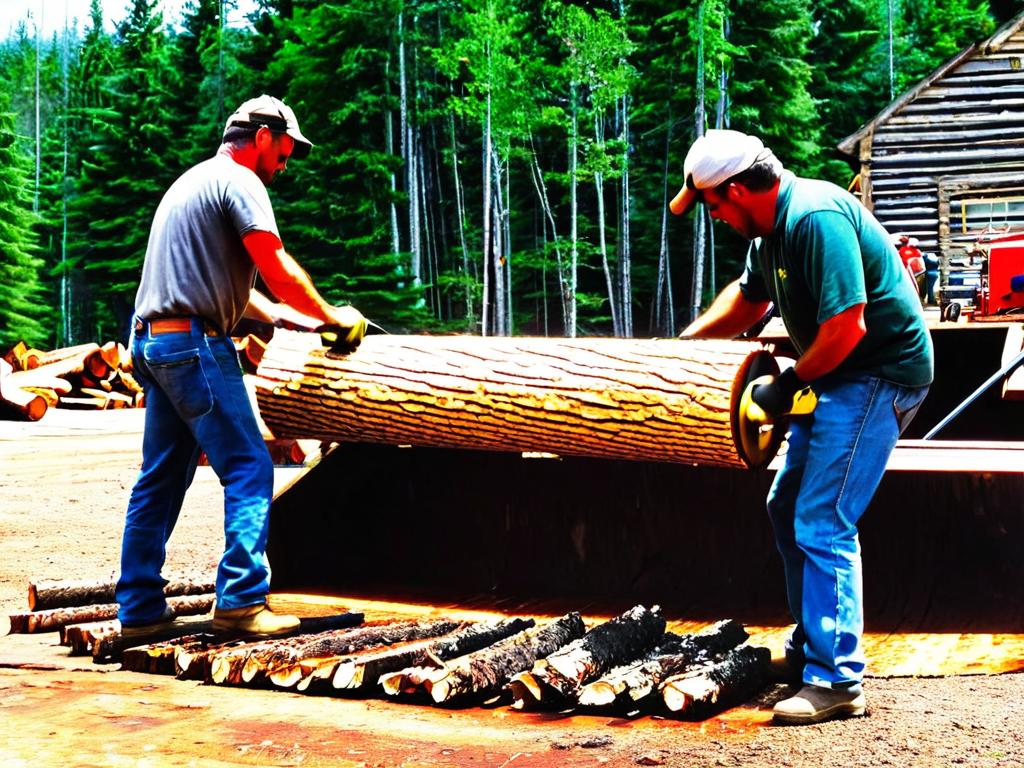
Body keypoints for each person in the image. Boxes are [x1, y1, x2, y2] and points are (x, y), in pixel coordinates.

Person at [671, 129, 933, 724]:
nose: (714, 216)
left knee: (823, 516)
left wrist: (787, 385)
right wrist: (680, 349)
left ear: (736, 190)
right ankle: (811, 646)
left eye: (713, 204)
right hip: (838, 372)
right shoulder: (766, 235)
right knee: (786, 502)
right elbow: (746, 302)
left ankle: (838, 681)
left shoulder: (814, 217)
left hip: (879, 374)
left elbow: (848, 328)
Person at [117, 95, 367, 639]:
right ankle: (241, 602)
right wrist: (331, 315)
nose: (288, 160)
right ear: (262, 136)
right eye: (286, 149)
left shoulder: (192, 183)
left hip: (152, 342)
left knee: (159, 478)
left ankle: (138, 610)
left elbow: (224, 287)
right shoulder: (241, 182)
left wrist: (291, 319)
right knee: (250, 465)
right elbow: (272, 263)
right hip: (193, 346)